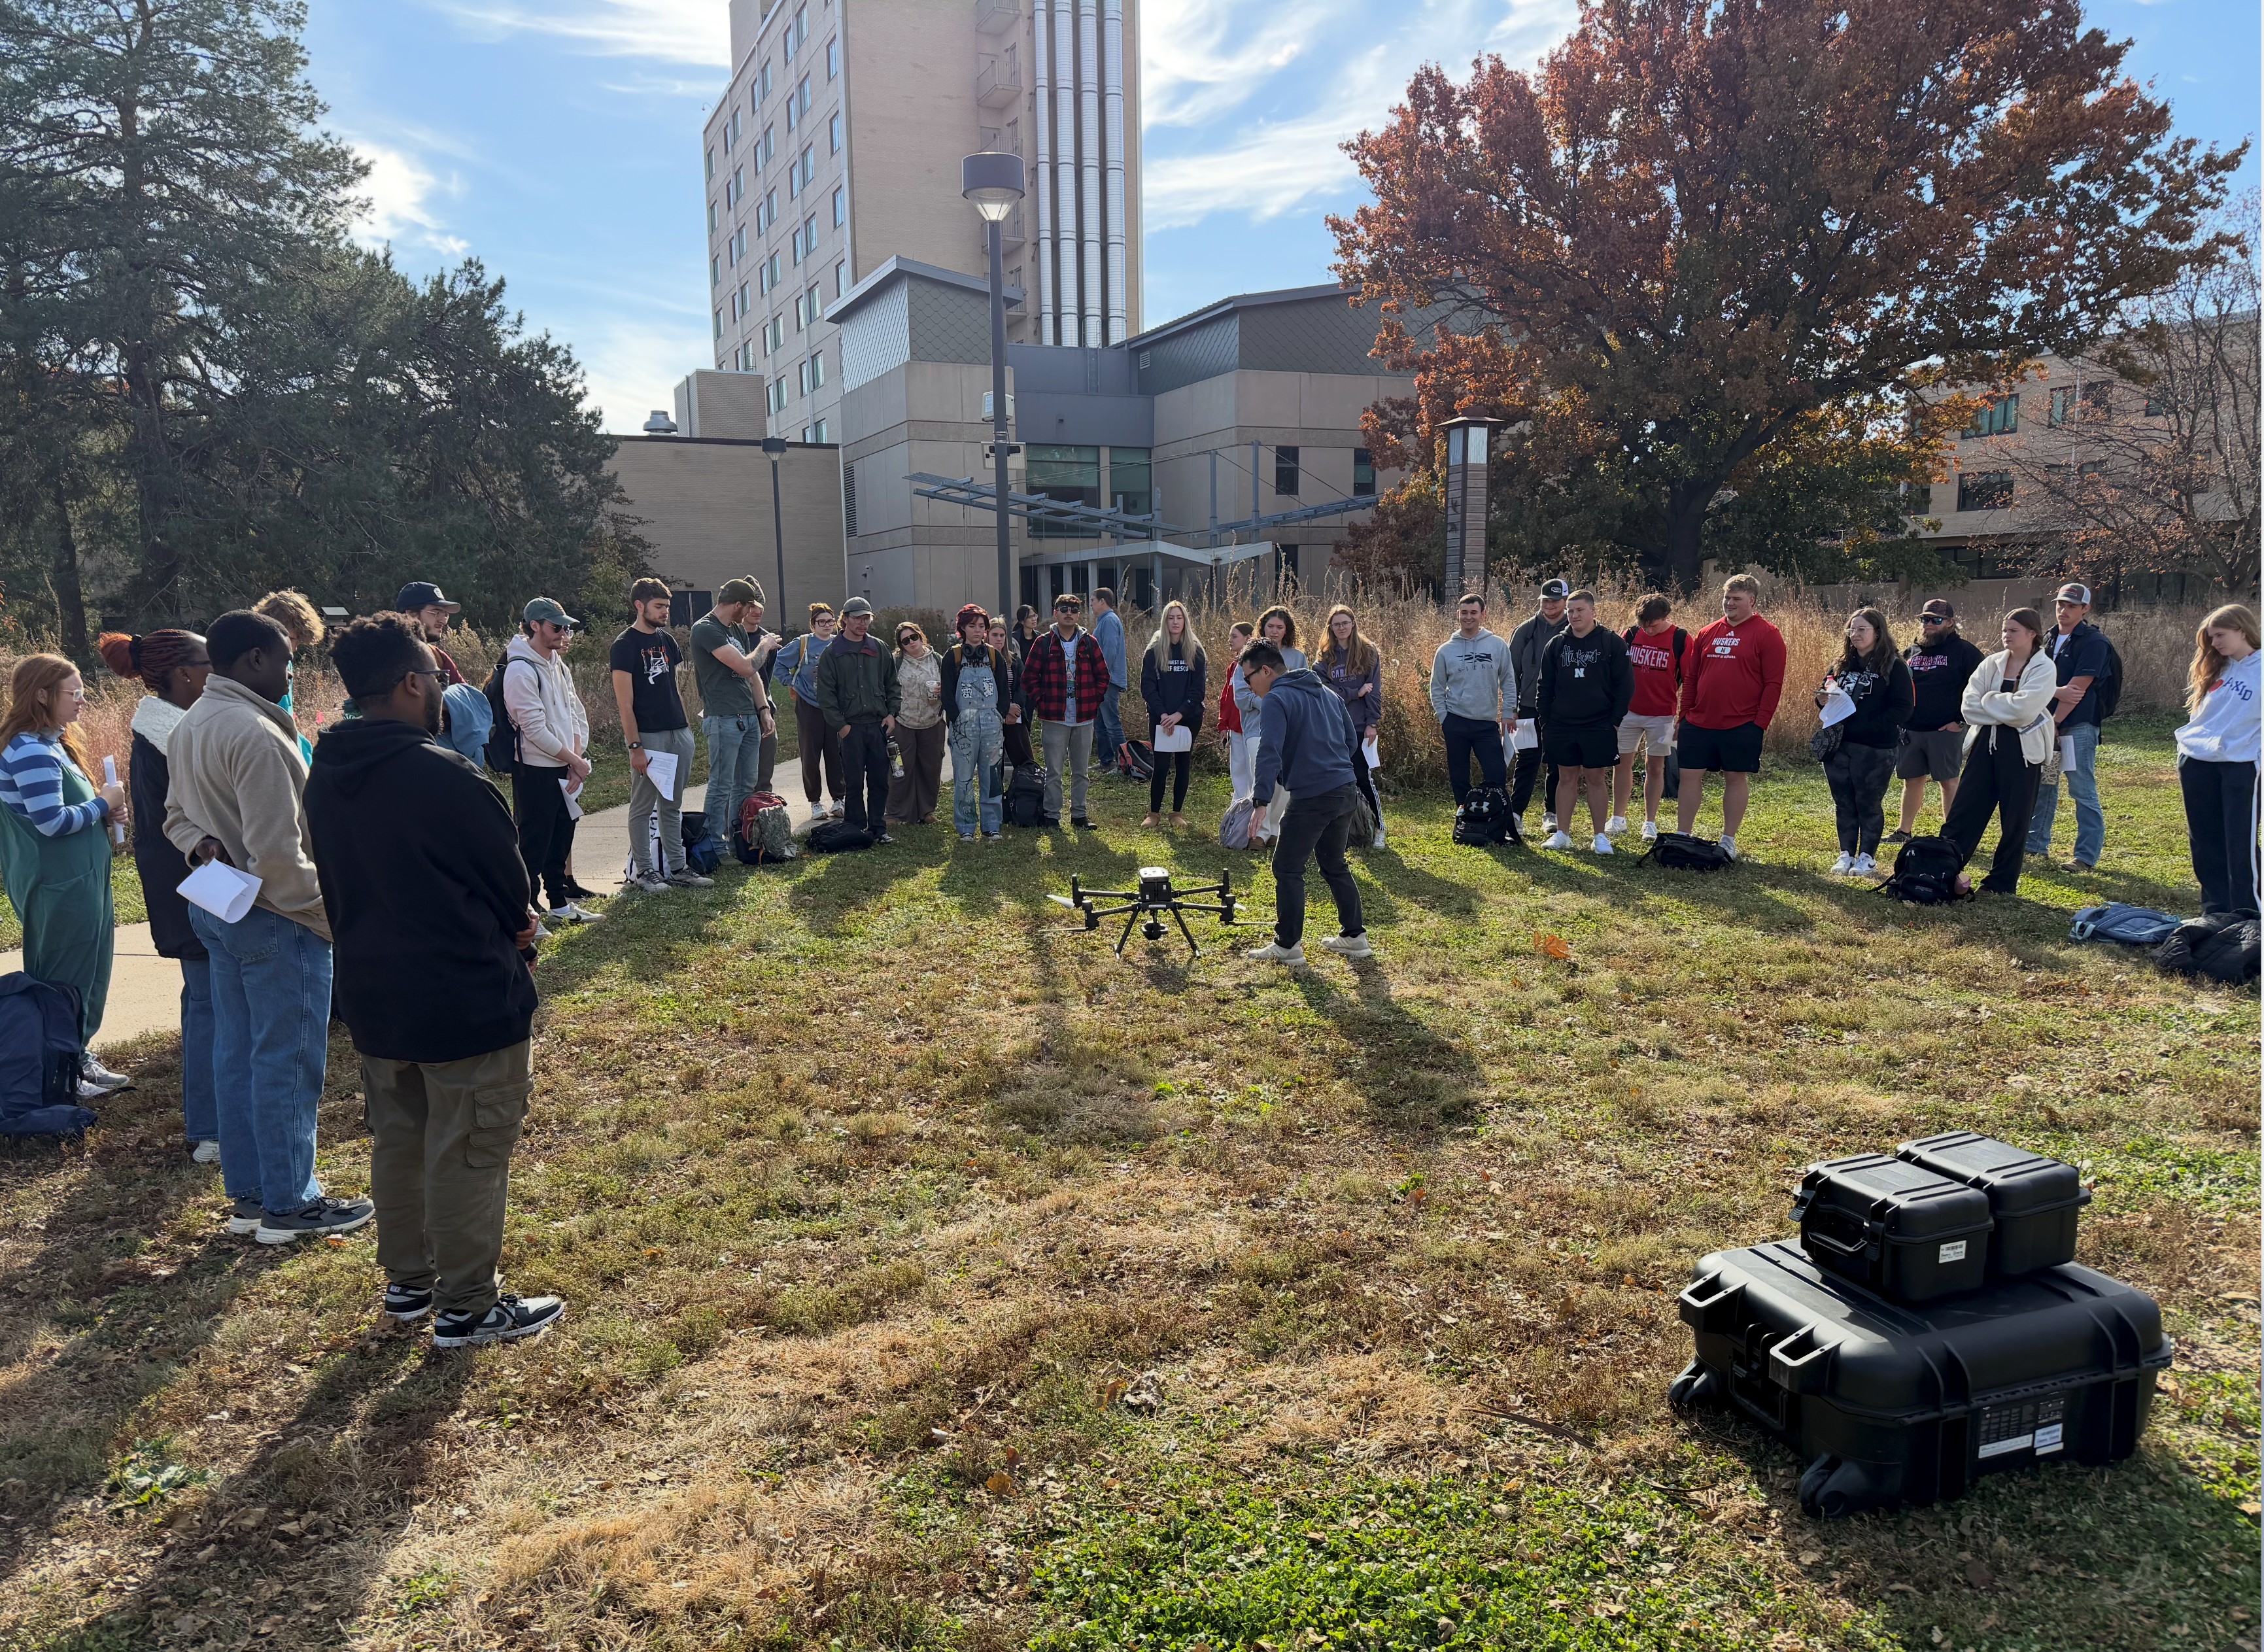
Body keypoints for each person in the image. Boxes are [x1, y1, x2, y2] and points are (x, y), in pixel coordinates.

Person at [305, 614, 564, 1347]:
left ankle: (409, 1284)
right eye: (434, 674)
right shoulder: (443, 773)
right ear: (413, 682)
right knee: (469, 1149)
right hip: (463, 998)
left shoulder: (326, 771)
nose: (443, 687)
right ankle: (468, 1307)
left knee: (401, 1140)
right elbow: (509, 889)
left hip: (375, 997)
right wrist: (521, 927)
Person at [164, 611, 372, 1244]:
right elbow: (280, 855)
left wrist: (202, 845)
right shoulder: (254, 732)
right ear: (253, 659)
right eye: (285, 658)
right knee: (287, 1058)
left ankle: (252, 1195)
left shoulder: (193, 722)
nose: (292, 671)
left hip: (219, 909)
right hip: (276, 918)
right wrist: (329, 918)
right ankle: (291, 1202)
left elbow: (175, 817)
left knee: (239, 1051)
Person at [98, 629, 218, 1150]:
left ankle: (209, 1127)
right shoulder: (170, 736)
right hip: (194, 888)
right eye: (209, 661)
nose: (218, 670)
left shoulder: (168, 728)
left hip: (191, 885)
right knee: (210, 1007)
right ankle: (210, 1131)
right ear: (184, 674)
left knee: (205, 1004)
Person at [0, 655, 129, 1097]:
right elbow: (51, 822)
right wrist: (102, 802)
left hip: (82, 878)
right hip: (60, 884)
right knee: (63, 974)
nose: (82, 700)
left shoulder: (51, 744)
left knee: (90, 970)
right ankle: (59, 1070)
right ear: (42, 695)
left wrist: (104, 810)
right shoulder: (30, 750)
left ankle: (78, 1055)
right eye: (73, 693)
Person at [1242, 640, 1369, 965]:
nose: (1247, 685)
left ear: (1266, 671)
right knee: (1333, 863)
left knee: (1287, 866)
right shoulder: (1328, 694)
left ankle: (1288, 947)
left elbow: (1268, 750)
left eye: (1248, 678)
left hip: (1313, 796)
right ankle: (1355, 937)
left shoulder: (1276, 699)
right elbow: (1351, 741)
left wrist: (1261, 802)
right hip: (1345, 789)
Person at [1940, 608, 2058, 895]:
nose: (2006, 636)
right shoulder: (1991, 663)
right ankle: (1943, 869)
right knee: (1964, 812)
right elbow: (1968, 707)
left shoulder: (2044, 668)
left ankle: (2000, 883)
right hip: (1984, 747)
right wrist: (2005, 705)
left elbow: (2024, 712)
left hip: (2023, 751)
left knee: (2015, 819)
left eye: (2014, 631)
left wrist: (1989, 702)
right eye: (2005, 630)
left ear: (2032, 634)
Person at [500, 597, 600, 923]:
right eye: (556, 627)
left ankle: (560, 905)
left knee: (562, 836)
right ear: (535, 626)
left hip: (565, 766)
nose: (563, 633)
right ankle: (526, 911)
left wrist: (575, 759)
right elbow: (534, 730)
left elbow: (575, 714)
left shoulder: (558, 664)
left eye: (566, 627)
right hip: (533, 770)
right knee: (533, 842)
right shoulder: (519, 669)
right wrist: (574, 759)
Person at [1676, 574, 1787, 859]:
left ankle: (1728, 840)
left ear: (1752, 600)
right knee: (1689, 775)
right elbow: (1691, 677)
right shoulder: (1707, 632)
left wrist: (1759, 723)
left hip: (1741, 723)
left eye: (1737, 599)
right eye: (1727, 597)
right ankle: (1683, 835)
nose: (1730, 603)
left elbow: (1773, 684)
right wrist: (1683, 715)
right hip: (1699, 721)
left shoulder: (1767, 634)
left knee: (1735, 777)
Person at [610, 577, 708, 891]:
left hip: (678, 732)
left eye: (667, 606)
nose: (666, 611)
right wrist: (635, 746)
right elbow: (625, 704)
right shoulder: (624, 645)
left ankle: (678, 868)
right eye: (659, 606)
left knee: (672, 803)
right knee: (642, 806)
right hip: (648, 737)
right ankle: (645, 872)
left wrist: (685, 729)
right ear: (640, 606)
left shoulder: (667, 641)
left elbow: (673, 689)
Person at [2174, 604, 2261, 918]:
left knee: (2239, 842)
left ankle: (2249, 915)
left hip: (2241, 764)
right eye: (2211, 638)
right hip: (2197, 761)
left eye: (2221, 636)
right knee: (2204, 841)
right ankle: (2216, 911)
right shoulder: (2216, 666)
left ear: (2243, 630)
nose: (2215, 644)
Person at [1815, 608, 1914, 875]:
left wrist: (1870, 726)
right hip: (1838, 745)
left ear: (1878, 633)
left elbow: (1903, 708)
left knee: (1868, 803)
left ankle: (1867, 857)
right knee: (1844, 802)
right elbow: (1826, 693)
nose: (1855, 635)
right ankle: (1846, 854)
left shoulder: (1894, 666)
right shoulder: (1840, 665)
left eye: (1862, 629)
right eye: (1851, 629)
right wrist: (1821, 699)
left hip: (1875, 748)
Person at [1536, 590, 1635, 853]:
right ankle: (1563, 834)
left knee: (1596, 778)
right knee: (1565, 777)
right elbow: (1544, 686)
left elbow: (1625, 686)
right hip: (1562, 724)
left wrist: (1614, 721)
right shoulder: (1556, 645)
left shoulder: (1612, 643)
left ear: (1593, 611)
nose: (1574, 615)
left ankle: (1600, 836)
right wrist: (1545, 720)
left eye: (1580, 610)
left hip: (1599, 724)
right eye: (1570, 610)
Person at [2026, 582, 2112, 872]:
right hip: (2047, 725)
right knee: (2045, 785)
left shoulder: (2094, 642)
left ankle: (2085, 856)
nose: (2064, 611)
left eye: (2072, 606)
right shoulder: (2047, 638)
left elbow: (2077, 690)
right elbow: (2032, 682)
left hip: (2075, 726)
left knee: (2082, 789)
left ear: (2086, 609)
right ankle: (2035, 846)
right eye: (2061, 604)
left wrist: (2056, 722)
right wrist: (2053, 695)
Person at [690, 578, 779, 851]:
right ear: (737, 604)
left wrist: (763, 709)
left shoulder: (736, 630)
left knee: (745, 784)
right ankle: (714, 845)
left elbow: (754, 679)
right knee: (721, 785)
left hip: (749, 717)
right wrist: (765, 645)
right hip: (723, 718)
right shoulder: (706, 629)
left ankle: (737, 841)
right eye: (748, 606)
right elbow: (745, 666)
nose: (750, 613)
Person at [1888, 598, 1984, 844]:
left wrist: (1961, 721)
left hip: (1945, 729)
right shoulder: (1912, 651)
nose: (1929, 624)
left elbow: (1982, 688)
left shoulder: (1965, 652)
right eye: (1925, 619)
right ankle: (1904, 831)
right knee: (1912, 781)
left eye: (1936, 620)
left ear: (1951, 623)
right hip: (1911, 729)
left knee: (1949, 782)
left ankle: (1952, 835)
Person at [1020, 593, 1111, 828]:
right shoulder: (1043, 643)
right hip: (1054, 718)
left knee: (1081, 772)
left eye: (1073, 609)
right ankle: (1052, 816)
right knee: (1054, 773)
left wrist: (1094, 702)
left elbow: (1103, 676)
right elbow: (1029, 677)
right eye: (1064, 608)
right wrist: (1043, 701)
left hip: (1084, 718)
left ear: (1079, 615)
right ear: (1055, 613)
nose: (1068, 612)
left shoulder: (1089, 642)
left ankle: (1079, 815)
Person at [814, 596, 899, 839]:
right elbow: (826, 694)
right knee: (852, 783)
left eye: (867, 618)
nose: (863, 623)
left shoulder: (878, 648)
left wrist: (892, 714)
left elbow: (893, 684)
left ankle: (877, 828)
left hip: (878, 726)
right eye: (857, 618)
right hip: (851, 729)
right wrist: (841, 726)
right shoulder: (833, 653)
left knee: (879, 781)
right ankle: (854, 828)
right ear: (845, 619)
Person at [1428, 593, 1516, 810]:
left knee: (1496, 772)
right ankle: (1465, 815)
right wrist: (1444, 718)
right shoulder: (1446, 650)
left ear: (1482, 615)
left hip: (1486, 723)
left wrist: (1507, 712)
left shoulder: (1497, 645)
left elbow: (1509, 681)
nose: (1469, 617)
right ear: (1458, 614)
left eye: (1474, 613)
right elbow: (1437, 687)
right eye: (1464, 613)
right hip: (1456, 720)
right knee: (1459, 774)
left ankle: (1493, 812)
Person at [1613, 594, 1686, 842]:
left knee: (1655, 767)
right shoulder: (1630, 635)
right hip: (1628, 713)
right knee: (1621, 764)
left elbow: (1690, 680)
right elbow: (1616, 672)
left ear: (1666, 617)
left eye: (1653, 624)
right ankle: (1618, 818)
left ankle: (1650, 823)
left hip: (1663, 715)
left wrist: (1682, 718)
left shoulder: (1681, 639)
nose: (1648, 629)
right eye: (1644, 623)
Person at [1237, 606, 1306, 844]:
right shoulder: (1250, 655)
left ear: (1287, 631)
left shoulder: (1297, 658)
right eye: (1270, 626)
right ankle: (1259, 832)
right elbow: (1241, 696)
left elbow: (1301, 693)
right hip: (1257, 726)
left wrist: (1281, 705)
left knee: (1286, 778)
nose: (1274, 631)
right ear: (1262, 627)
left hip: (1290, 727)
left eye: (1280, 627)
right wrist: (1271, 703)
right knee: (1262, 768)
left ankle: (1275, 829)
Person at [773, 604, 847, 821]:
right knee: (810, 755)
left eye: (830, 621)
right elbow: (779, 664)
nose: (826, 625)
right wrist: (792, 683)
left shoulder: (839, 644)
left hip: (834, 707)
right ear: (813, 624)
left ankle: (838, 800)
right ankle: (815, 802)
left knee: (837, 754)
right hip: (808, 706)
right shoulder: (803, 643)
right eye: (821, 622)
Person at [941, 606, 1009, 842]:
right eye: (972, 626)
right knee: (964, 778)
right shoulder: (953, 656)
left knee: (992, 776)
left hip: (991, 724)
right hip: (964, 726)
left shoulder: (993, 655)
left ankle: (992, 825)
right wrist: (955, 718)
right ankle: (966, 826)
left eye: (982, 626)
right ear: (962, 628)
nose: (978, 631)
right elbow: (947, 693)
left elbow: (1003, 689)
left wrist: (1000, 715)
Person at [1318, 604, 1384, 846]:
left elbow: (1374, 690)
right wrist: (1354, 692)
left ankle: (1378, 828)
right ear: (1331, 628)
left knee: (1362, 777)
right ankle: (1342, 833)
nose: (1342, 627)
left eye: (1345, 622)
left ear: (1353, 623)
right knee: (1335, 780)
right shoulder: (1325, 655)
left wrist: (1373, 723)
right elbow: (1324, 689)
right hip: (1333, 727)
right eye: (1337, 624)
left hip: (1359, 727)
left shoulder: (1368, 652)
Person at [1139, 600, 1208, 827]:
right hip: (1161, 717)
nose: (1175, 622)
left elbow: (1198, 690)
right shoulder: (1154, 651)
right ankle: (1154, 813)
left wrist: (1179, 714)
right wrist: (1164, 715)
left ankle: (1177, 813)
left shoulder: (1196, 651)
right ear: (1165, 621)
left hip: (1188, 718)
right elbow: (1148, 688)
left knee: (1183, 763)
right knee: (1160, 765)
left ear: (1185, 621)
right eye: (1171, 618)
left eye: (1179, 618)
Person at [1508, 578, 1569, 832]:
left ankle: (1551, 814)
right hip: (1528, 708)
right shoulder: (1525, 630)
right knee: (1527, 760)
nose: (1549, 605)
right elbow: (1511, 672)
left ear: (1565, 602)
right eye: (1545, 601)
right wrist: (1512, 706)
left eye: (1555, 601)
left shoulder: (1575, 628)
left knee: (1556, 762)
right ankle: (1515, 814)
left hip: (1562, 710)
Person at [252, 589, 324, 763]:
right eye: (293, 640)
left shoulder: (285, 662)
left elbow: (286, 715)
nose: (294, 649)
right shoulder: (255, 664)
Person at [886, 621, 946, 825]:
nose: (912, 642)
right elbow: (887, 689)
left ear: (921, 636)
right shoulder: (896, 663)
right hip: (902, 723)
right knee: (900, 768)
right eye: (906, 640)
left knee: (930, 769)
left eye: (914, 637)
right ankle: (895, 813)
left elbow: (951, 685)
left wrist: (942, 690)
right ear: (901, 645)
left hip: (933, 721)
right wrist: (890, 715)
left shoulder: (938, 660)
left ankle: (927, 811)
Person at [987, 614, 1036, 775]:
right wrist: (1005, 708)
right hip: (993, 717)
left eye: (1002, 635)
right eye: (994, 635)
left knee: (1025, 762)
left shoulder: (1014, 661)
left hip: (1015, 717)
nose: (999, 639)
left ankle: (1027, 796)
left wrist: (1015, 709)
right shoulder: (981, 662)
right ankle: (996, 799)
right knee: (994, 767)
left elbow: (1022, 687)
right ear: (986, 636)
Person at [394, 581, 468, 685]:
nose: (443, 621)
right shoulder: (382, 654)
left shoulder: (438, 657)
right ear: (411, 614)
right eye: (436, 612)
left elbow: (467, 696)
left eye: (445, 614)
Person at [1091, 587, 1129, 776]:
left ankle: (1124, 765)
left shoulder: (1109, 621)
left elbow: (1110, 652)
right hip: (1101, 681)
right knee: (1100, 723)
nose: (1091, 604)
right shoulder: (1104, 621)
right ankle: (1106, 761)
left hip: (1107, 681)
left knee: (1112, 723)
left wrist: (1101, 676)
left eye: (1093, 600)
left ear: (1102, 601)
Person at [1218, 621, 1256, 800]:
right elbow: (1226, 696)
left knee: (1252, 770)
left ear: (1248, 638)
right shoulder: (1233, 667)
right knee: (1238, 769)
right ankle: (1240, 805)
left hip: (1251, 726)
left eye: (1234, 636)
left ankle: (1253, 806)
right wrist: (1223, 723)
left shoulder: (1255, 665)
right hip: (1235, 727)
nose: (1230, 640)